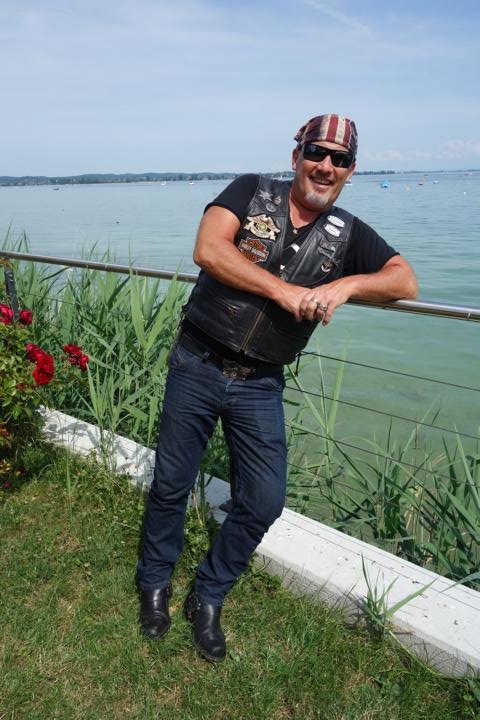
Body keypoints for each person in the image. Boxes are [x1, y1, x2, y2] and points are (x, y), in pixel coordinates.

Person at [136, 114, 418, 662]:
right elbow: (209, 249)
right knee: (171, 483)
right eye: (317, 152)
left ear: (350, 171)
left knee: (264, 500)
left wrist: (347, 284)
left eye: (339, 159)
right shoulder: (250, 191)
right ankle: (154, 582)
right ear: (296, 157)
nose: (326, 166)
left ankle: (208, 594)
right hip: (197, 361)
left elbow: (404, 279)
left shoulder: (349, 234)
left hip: (259, 383)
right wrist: (283, 291)